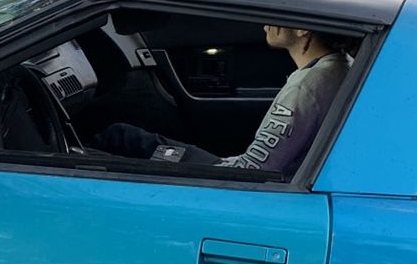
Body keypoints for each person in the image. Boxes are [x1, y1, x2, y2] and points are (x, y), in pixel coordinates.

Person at [95, 26, 352, 175]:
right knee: (125, 137)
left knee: (118, 140)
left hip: (240, 179)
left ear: (302, 29)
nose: (266, 23)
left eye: (279, 15)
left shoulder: (306, 89)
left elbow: (254, 171)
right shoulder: (339, 67)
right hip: (253, 170)